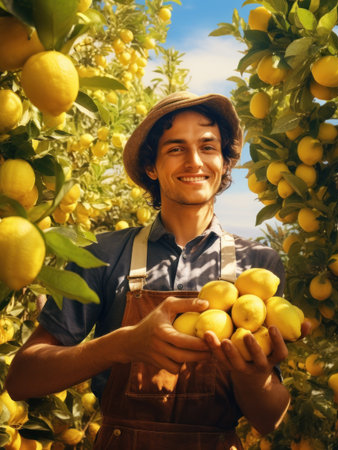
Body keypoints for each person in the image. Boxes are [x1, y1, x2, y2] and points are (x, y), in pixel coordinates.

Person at [6, 91, 308, 449]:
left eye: (208, 147)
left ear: (225, 163)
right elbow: (22, 379)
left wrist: (252, 376)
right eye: (176, 148)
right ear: (152, 166)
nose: (194, 161)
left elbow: (268, 419)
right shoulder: (102, 253)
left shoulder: (259, 267)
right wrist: (120, 345)